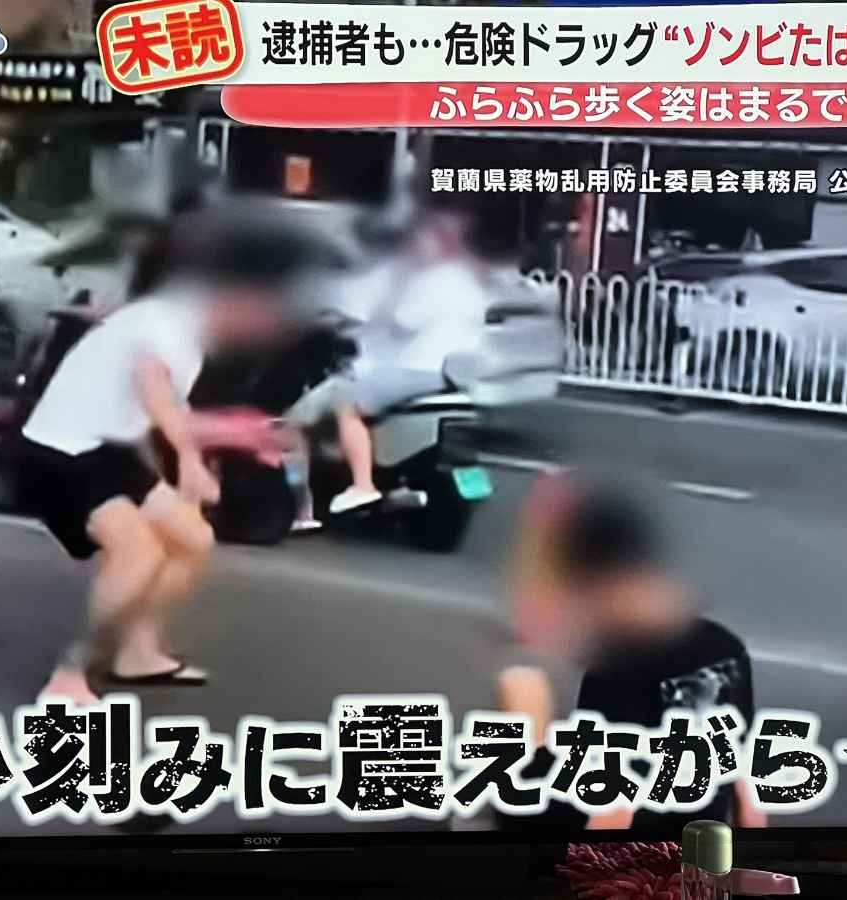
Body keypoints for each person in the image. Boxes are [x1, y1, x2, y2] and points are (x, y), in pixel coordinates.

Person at [18, 215, 327, 705]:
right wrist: (188, 460)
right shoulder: (170, 321)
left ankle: (137, 653)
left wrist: (240, 434)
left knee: (192, 538)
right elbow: (151, 382)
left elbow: (166, 414)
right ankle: (69, 675)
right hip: (59, 452)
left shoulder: (187, 332)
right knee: (137, 552)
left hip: (107, 449)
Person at [496, 472, 768, 833]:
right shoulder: (725, 647)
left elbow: (612, 809)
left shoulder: (619, 663)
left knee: (522, 693)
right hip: (701, 829)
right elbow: (743, 773)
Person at [288, 212, 492, 515]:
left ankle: (361, 486)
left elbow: (402, 318)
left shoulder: (431, 278)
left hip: (420, 368)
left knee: (346, 404)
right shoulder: (469, 279)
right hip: (450, 373)